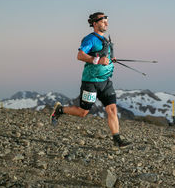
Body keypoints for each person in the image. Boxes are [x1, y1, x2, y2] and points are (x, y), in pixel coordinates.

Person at [51, 11, 131, 148]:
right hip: (91, 82)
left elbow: (104, 56)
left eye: (107, 20)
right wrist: (97, 60)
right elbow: (80, 55)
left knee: (112, 109)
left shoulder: (105, 39)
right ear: (94, 23)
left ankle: (117, 139)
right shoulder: (90, 39)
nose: (106, 22)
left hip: (105, 82)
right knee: (83, 112)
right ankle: (60, 110)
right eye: (102, 20)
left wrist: (111, 60)